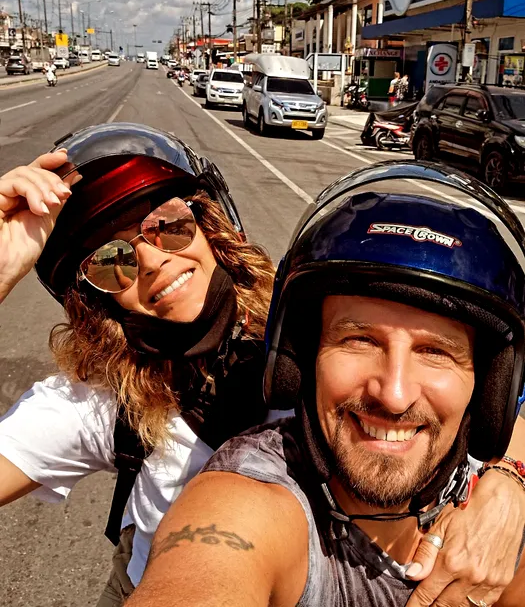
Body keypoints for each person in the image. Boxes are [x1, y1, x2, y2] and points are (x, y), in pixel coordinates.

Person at [129, 161, 525, 607]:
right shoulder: (249, 503)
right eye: (359, 340)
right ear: (304, 357)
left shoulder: (487, 510)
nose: (394, 395)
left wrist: (511, 478)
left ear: (489, 387)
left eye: (435, 352)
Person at [0, 122, 274, 606]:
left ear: (210, 227)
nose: (150, 261)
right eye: (111, 260)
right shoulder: (108, 399)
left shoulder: (318, 338)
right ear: (98, 300)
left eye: (167, 224)